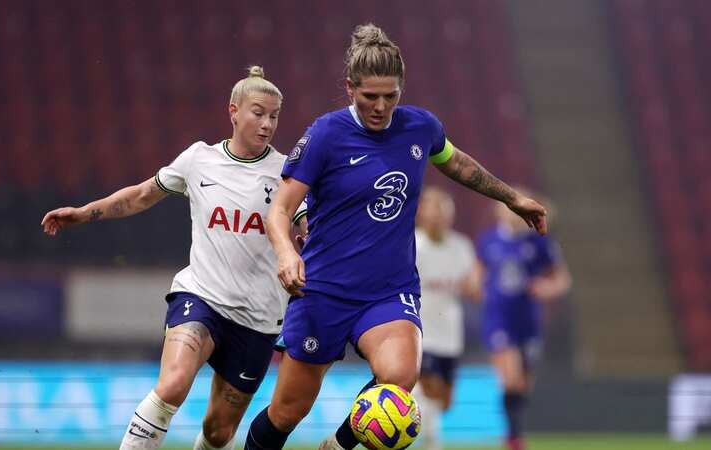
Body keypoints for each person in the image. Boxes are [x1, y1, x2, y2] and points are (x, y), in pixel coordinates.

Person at [242, 24, 548, 450]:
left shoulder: (420, 128)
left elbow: (459, 165)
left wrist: (513, 198)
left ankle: (338, 445)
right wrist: (284, 254)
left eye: (391, 96)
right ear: (350, 88)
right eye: (370, 96)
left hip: (388, 290)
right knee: (287, 412)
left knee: (400, 379)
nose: (381, 107)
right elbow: (280, 208)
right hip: (324, 289)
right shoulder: (326, 134)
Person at [40, 67, 306, 450]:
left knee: (219, 431)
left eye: (274, 116)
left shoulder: (286, 173)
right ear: (233, 111)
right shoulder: (199, 159)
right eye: (258, 112)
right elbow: (141, 195)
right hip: (201, 297)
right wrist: (85, 212)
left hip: (259, 318)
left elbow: (306, 224)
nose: (267, 124)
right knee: (173, 384)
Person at [476, 188, 571, 450]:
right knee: (511, 377)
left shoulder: (539, 242)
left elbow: (561, 279)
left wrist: (546, 288)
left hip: (528, 318)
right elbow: (477, 275)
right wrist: (477, 288)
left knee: (524, 383)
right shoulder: (489, 240)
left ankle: (513, 432)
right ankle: (515, 438)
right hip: (498, 318)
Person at [413, 186, 481, 450]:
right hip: (420, 330)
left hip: (450, 333)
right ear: (422, 213)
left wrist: (474, 284)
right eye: (434, 209)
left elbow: (473, 285)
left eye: (444, 211)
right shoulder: (412, 244)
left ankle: (423, 428)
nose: (439, 216)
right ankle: (429, 442)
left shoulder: (461, 246)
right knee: (429, 386)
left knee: (444, 400)